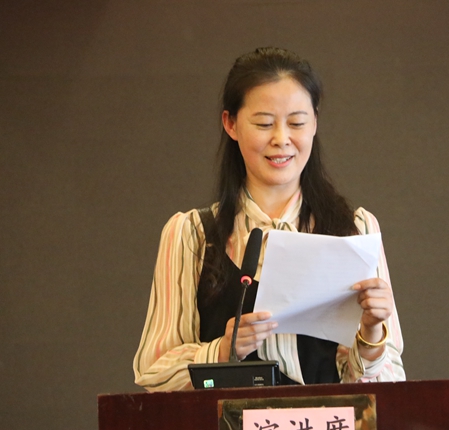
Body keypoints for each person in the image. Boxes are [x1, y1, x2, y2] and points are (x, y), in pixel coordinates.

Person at [133, 47, 404, 391]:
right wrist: (221, 351)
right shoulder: (192, 234)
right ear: (231, 124)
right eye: (263, 124)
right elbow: (154, 372)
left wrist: (372, 332)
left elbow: (389, 381)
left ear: (315, 123)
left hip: (321, 424)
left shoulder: (354, 231)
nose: (281, 139)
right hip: (229, 425)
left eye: (297, 123)